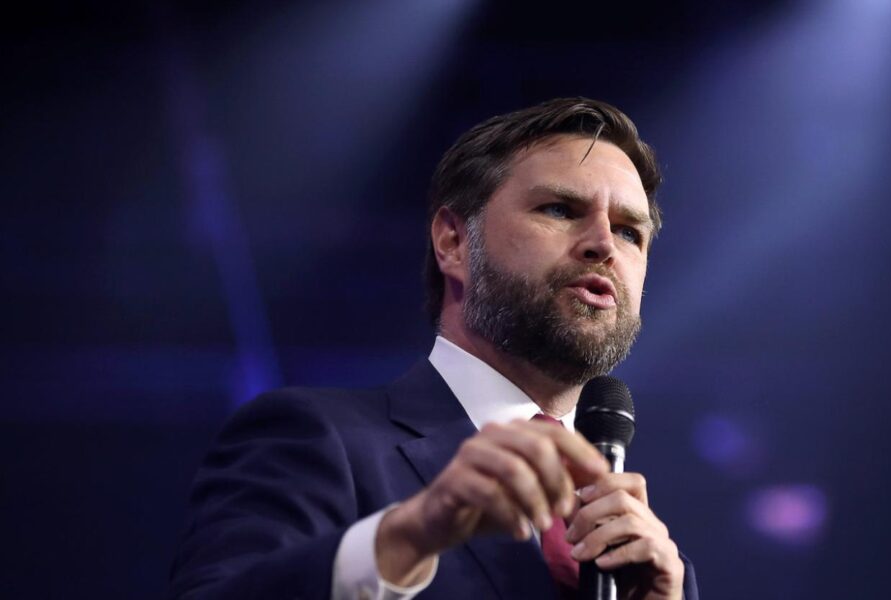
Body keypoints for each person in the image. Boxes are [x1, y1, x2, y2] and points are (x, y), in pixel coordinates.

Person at [169, 97, 698, 600]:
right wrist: (411, 533)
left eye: (630, 232)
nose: (604, 244)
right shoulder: (317, 438)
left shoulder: (648, 558)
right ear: (452, 242)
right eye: (560, 209)